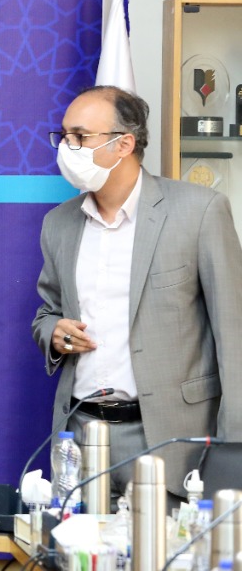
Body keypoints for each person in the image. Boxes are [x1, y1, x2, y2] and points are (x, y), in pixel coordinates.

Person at [33, 85, 242, 498]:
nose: (67, 148)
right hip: (81, 435)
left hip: (170, 440)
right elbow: (47, 313)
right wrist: (54, 332)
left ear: (124, 144)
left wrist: (233, 450)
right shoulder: (58, 224)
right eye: (64, 136)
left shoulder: (199, 211)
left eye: (80, 137)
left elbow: (234, 335)